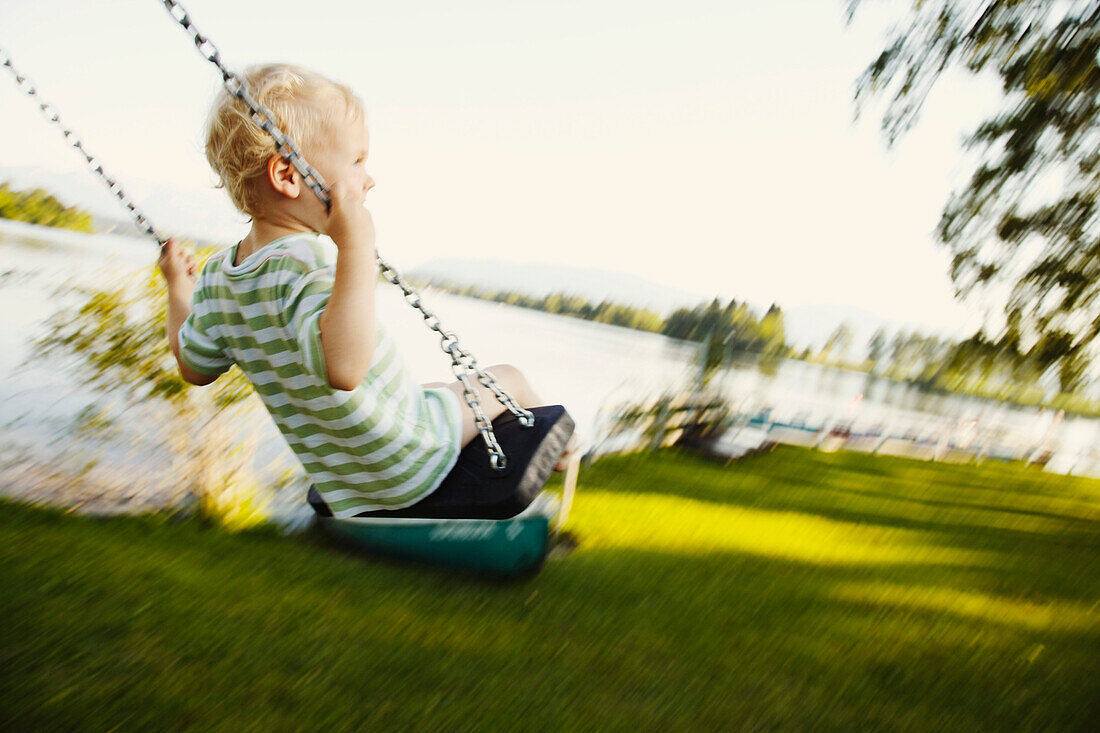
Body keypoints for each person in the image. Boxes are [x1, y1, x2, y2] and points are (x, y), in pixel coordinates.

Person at [157, 63, 573, 519]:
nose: (368, 177)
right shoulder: (304, 263)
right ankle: (567, 451)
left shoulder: (219, 277)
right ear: (288, 175)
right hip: (404, 464)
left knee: (434, 389)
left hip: (347, 487)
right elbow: (346, 369)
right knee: (506, 378)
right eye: (356, 160)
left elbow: (193, 364)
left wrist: (179, 288)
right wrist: (356, 245)